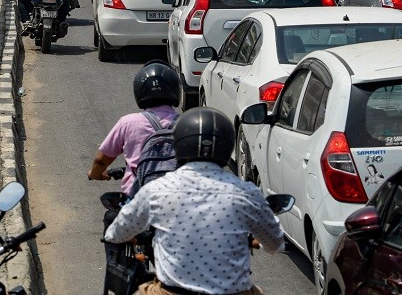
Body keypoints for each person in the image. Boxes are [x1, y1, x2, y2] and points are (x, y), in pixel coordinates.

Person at [104, 107, 286, 295]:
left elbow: (115, 234)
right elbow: (275, 243)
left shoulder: (157, 190)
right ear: (227, 146)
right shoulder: (247, 193)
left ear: (179, 144)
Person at [88, 61, 180, 196]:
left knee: (112, 215)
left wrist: (95, 174)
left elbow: (101, 160)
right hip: (178, 197)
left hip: (137, 197)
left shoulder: (128, 122)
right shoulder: (188, 123)